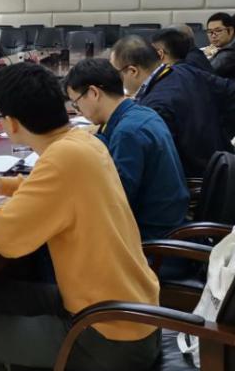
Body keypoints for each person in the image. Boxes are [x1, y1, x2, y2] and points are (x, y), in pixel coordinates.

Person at [0, 63, 160, 371]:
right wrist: (5, 186)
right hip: (130, 310)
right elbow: (52, 185)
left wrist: (1, 209)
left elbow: (3, 237)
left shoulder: (62, 161)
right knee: (2, 297)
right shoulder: (84, 142)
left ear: (11, 123)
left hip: (108, 335)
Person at [65, 59, 188, 240]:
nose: (78, 111)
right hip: (167, 219)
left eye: (76, 103)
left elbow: (117, 203)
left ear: (93, 93)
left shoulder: (128, 133)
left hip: (151, 233)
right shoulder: (139, 113)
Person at [110, 35, 232, 178]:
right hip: (221, 160)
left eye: (115, 73)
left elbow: (150, 162)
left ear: (133, 71)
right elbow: (230, 89)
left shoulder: (155, 107)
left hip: (195, 178)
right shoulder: (185, 71)